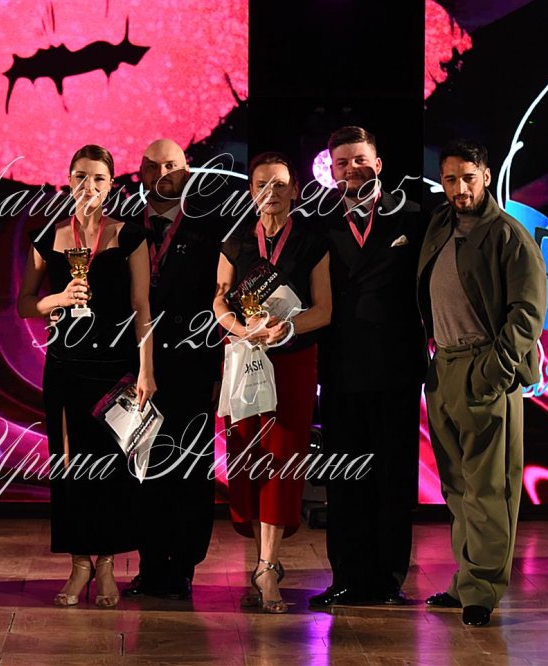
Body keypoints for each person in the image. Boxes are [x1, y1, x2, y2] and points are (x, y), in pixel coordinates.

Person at [18, 144, 156, 609]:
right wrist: (58, 299)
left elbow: (142, 306)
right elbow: (25, 304)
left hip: (116, 370)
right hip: (65, 369)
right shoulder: (50, 236)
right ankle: (79, 564)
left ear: (111, 184)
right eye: (80, 176)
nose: (89, 185)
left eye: (98, 177)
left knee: (112, 471)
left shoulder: (130, 236)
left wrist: (147, 370)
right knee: (70, 469)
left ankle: (108, 565)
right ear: (68, 180)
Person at [417, 139, 546, 626]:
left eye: (468, 178)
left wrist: (494, 371)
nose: (460, 188)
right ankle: (466, 580)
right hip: (444, 367)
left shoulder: (508, 235)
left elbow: (527, 314)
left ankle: (483, 590)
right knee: (457, 486)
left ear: (486, 176)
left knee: (490, 488)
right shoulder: (439, 226)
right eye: (451, 179)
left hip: (484, 369)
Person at [307, 126, 428, 608]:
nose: (352, 169)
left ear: (377, 164)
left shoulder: (414, 216)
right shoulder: (317, 222)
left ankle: (389, 579)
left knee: (393, 480)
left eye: (360, 160)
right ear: (331, 171)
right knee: (345, 480)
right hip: (340, 370)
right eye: (342, 163)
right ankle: (347, 578)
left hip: (396, 369)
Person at [213, 152, 331, 613]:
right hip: (245, 358)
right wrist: (239, 329)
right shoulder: (235, 241)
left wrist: (288, 328)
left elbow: (325, 310)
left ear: (295, 189)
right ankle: (260, 560)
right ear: (250, 190)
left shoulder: (311, 242)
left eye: (281, 183)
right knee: (246, 458)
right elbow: (219, 300)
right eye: (263, 183)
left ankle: (267, 566)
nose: (272, 192)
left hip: (293, 363)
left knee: (282, 459)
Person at [120, 139, 224, 600]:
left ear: (188, 172)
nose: (162, 174)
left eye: (172, 165)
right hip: (135, 366)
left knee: (190, 469)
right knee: (142, 469)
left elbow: (221, 300)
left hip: (192, 365)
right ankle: (149, 564)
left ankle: (182, 566)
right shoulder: (123, 225)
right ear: (140, 172)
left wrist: (217, 368)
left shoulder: (211, 226)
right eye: (153, 166)